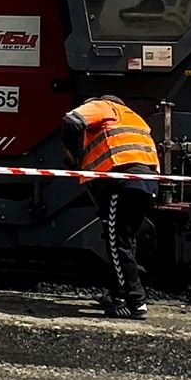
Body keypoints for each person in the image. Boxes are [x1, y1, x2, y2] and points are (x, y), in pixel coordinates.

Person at [63, 94, 161, 319]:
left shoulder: (104, 107)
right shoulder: (135, 118)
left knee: (117, 243)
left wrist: (73, 153)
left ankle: (135, 302)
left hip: (120, 181)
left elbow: (72, 120)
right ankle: (118, 296)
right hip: (146, 183)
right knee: (125, 241)